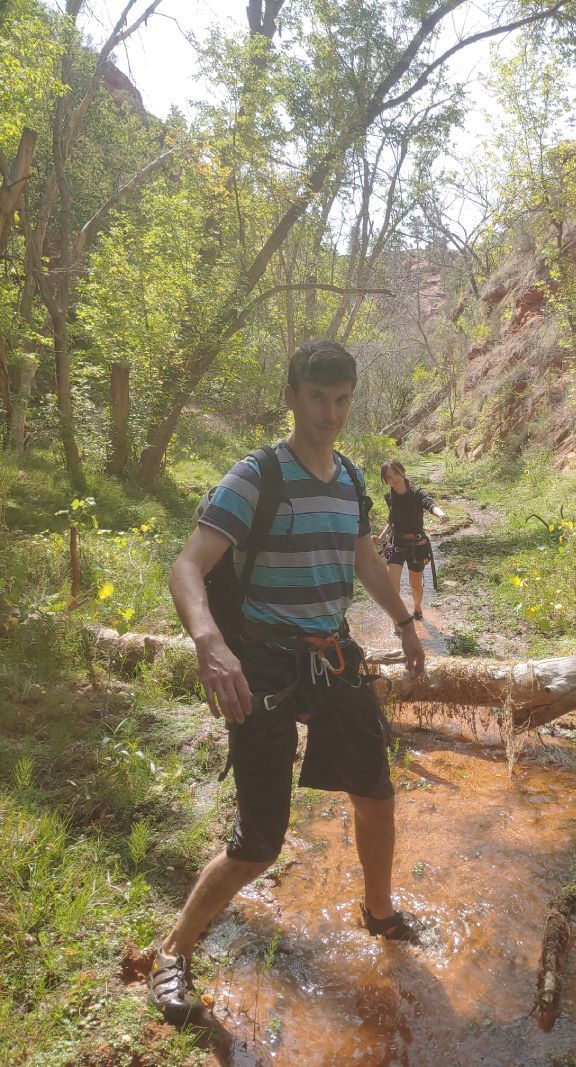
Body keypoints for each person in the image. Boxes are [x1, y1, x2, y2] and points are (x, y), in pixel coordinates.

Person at [148, 339, 426, 1025]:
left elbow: (364, 561)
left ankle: (378, 908)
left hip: (333, 658)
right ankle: (172, 951)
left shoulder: (350, 480)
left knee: (376, 792)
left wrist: (407, 622)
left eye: (341, 401)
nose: (330, 414)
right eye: (317, 398)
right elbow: (188, 566)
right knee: (259, 841)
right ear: (292, 395)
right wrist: (211, 645)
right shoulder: (256, 476)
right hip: (262, 665)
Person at [375, 460, 447, 622]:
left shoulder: (416, 492)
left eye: (395, 473)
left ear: (403, 471)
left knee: (415, 585)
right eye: (388, 477)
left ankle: (417, 607)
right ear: (385, 481)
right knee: (393, 585)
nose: (393, 478)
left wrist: (441, 514)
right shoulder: (389, 497)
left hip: (417, 545)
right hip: (396, 543)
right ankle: (398, 619)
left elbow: (429, 503)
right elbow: (391, 520)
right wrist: (380, 537)